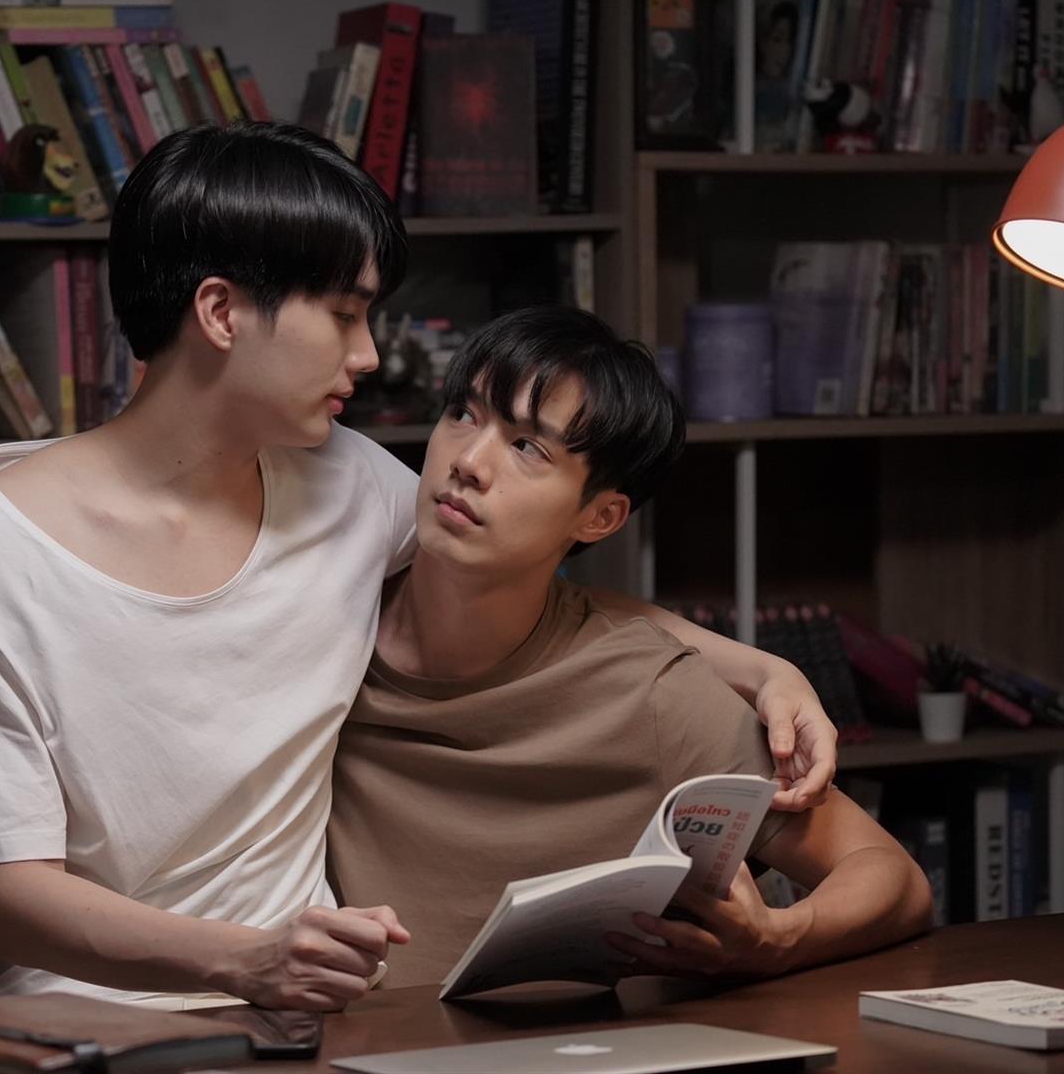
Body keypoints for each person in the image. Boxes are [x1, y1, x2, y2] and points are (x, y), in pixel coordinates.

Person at [0, 122, 842, 1016]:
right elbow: (10, 897)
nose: (370, 354)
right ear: (219, 311)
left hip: (307, 1027)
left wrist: (757, 668)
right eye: (345, 313)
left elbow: (532, 575)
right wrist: (244, 960)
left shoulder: (344, 481)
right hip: (78, 1025)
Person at [326, 307, 934, 987]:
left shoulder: (650, 691)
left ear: (601, 516)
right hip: (342, 1033)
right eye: (463, 414)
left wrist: (780, 939)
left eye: (528, 448)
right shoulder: (324, 625)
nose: (467, 462)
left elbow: (893, 876)